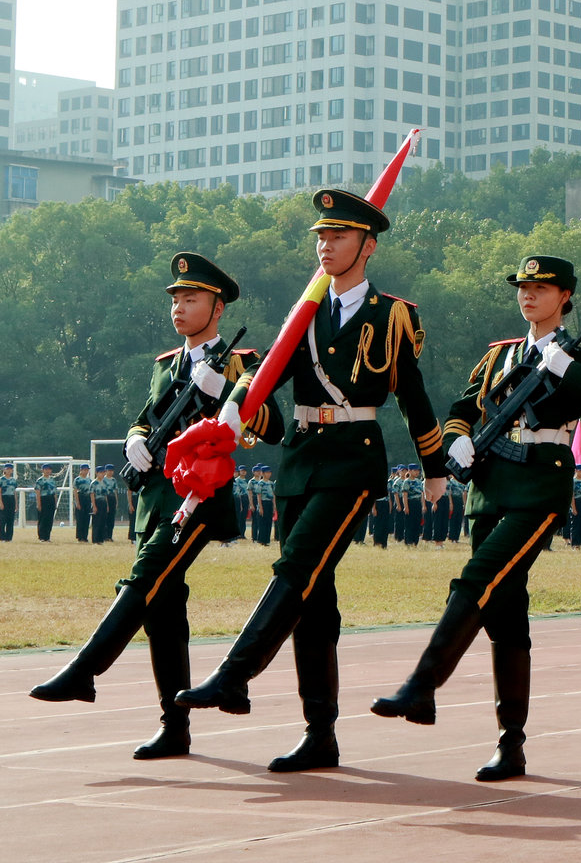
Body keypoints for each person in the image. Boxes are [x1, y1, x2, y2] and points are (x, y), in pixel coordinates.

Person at [178, 189, 446, 773]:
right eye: (321, 237)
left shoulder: (392, 314)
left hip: (354, 460)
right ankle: (319, 732)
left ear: (368, 246)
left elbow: (412, 391)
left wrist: (434, 465)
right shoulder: (306, 311)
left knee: (296, 568)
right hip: (299, 461)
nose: (325, 246)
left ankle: (233, 675)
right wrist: (236, 405)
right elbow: (272, 382)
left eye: (339, 237)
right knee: (313, 600)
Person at [372, 254, 581, 782]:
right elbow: (461, 407)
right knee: (505, 611)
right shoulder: (500, 356)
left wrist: (572, 373)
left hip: (539, 485)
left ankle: (421, 685)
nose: (528, 295)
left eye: (541, 288)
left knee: (478, 579)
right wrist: (459, 440)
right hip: (490, 487)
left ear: (565, 297)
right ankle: (510, 744)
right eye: (523, 287)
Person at [29, 253, 281, 759]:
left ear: (217, 308)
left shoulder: (241, 364)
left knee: (145, 579)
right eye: (176, 299)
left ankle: (85, 669)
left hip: (199, 496)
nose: (180, 308)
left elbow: (272, 428)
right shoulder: (166, 367)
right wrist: (134, 440)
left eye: (192, 299)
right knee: (163, 609)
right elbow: (146, 418)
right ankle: (175, 726)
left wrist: (225, 396)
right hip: (156, 497)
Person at [34, 463, 60, 542]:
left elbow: (55, 492)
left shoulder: (52, 480)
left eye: (49, 469)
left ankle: (47, 536)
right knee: (43, 518)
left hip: (51, 499)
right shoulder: (40, 480)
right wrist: (39, 504)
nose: (47, 471)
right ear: (42, 470)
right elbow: (38, 492)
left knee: (49, 519)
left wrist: (55, 503)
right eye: (46, 469)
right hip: (43, 499)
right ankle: (41, 536)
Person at [93, 466, 119, 543]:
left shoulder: (113, 480)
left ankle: (109, 536)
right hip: (101, 500)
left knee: (111, 518)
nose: (110, 472)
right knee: (102, 519)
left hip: (110, 499)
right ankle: (103, 536)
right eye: (108, 470)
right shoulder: (101, 481)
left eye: (112, 470)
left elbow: (115, 491)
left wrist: (116, 501)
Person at [0, 463, 17, 542]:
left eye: (10, 469)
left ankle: (9, 537)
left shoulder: (13, 480)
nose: (9, 470)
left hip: (11, 499)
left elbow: (14, 492)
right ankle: (2, 537)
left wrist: (16, 504)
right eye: (7, 469)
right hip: (4, 499)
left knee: (10, 519)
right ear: (4, 470)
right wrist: (0, 502)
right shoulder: (1, 479)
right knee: (3, 519)